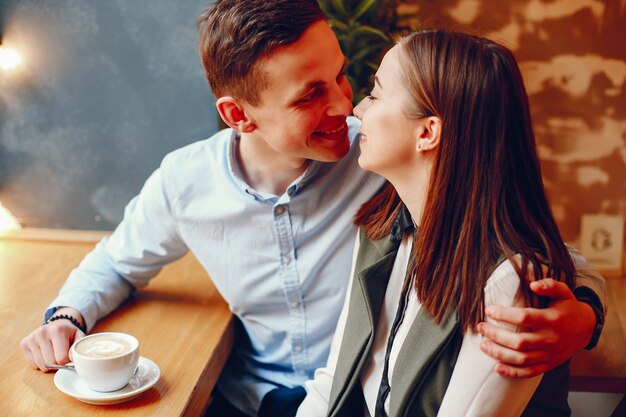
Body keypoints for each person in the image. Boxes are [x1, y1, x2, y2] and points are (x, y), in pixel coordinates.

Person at [19, 2, 605, 416]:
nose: (345, 105)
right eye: (310, 95)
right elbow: (115, 263)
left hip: (363, 394)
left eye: (344, 76)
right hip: (253, 396)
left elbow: (505, 237)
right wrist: (66, 317)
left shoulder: (380, 154)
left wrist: (582, 314)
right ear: (238, 116)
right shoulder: (184, 183)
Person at [296, 29, 596, 417]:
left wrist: (590, 311)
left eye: (376, 93)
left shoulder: (509, 282)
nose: (357, 110)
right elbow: (333, 383)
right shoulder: (380, 229)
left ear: (427, 132)